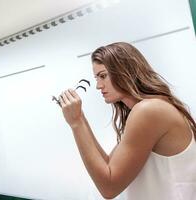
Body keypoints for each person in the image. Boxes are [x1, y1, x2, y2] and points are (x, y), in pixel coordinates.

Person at [59, 42, 196, 200]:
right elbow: (109, 165)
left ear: (125, 71)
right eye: (96, 78)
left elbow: (108, 187)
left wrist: (76, 123)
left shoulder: (148, 110)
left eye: (103, 76)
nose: (98, 86)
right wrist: (80, 117)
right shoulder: (153, 107)